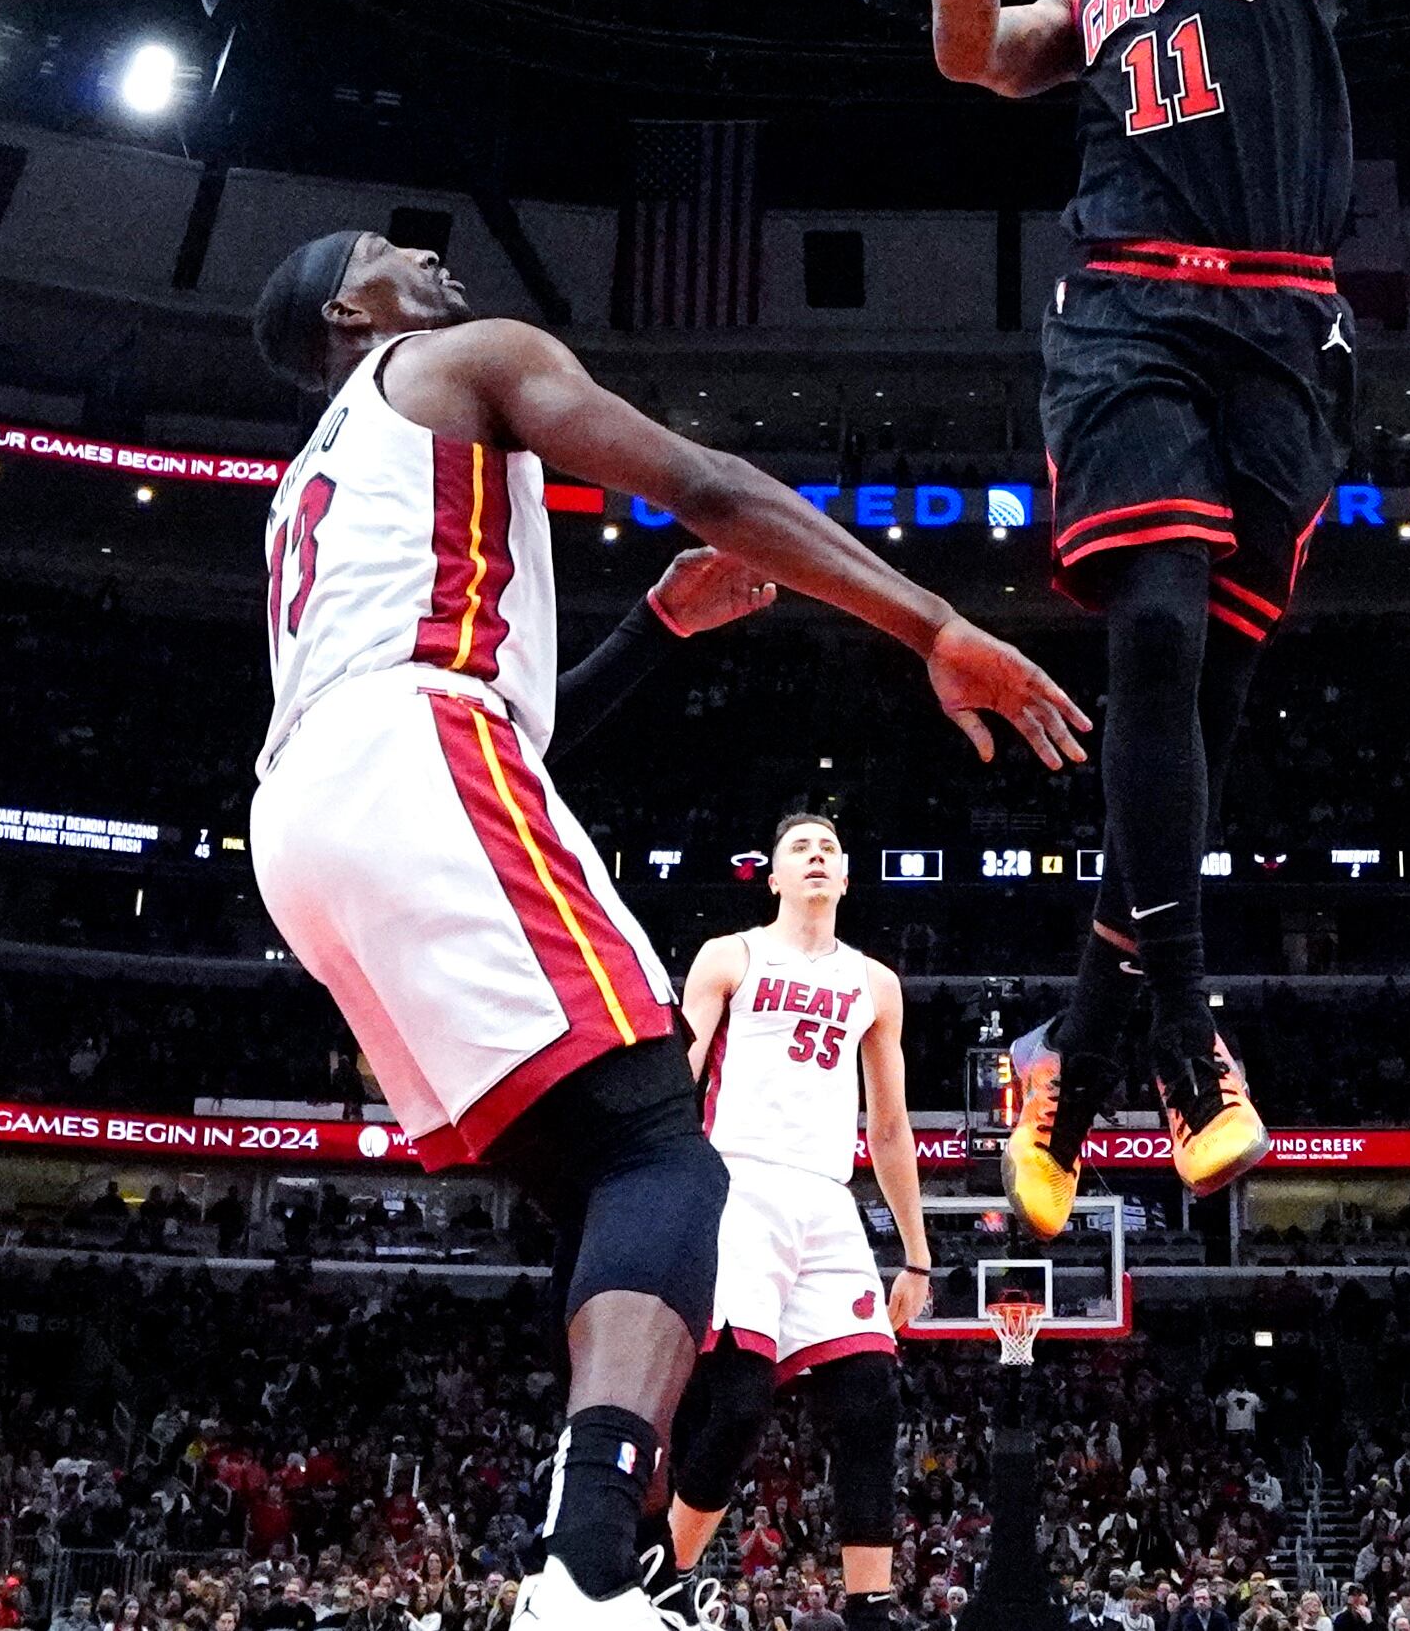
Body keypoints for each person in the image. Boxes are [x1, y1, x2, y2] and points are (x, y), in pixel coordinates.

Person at [242, 229, 1086, 1631]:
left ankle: (609, 1557)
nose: (432, 254)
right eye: (393, 248)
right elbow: (707, 486)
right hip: (413, 751)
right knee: (661, 1155)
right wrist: (931, 622)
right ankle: (581, 1572)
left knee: (597, 1191)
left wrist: (650, 627)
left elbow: (497, 715)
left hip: (305, 821)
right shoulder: (461, 358)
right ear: (347, 305)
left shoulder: (313, 484)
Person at [931, 0, 1410, 1235]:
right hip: (1129, 306)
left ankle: (1075, 1054)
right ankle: (1190, 1036)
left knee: (1208, 707)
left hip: (1281, 330)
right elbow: (967, 53)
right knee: (1150, 632)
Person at [664, 814, 934, 1631]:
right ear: (774, 876)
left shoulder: (875, 982)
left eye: (828, 849)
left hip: (827, 1198)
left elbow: (890, 1127)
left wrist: (916, 1256)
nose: (815, 856)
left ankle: (870, 1606)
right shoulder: (731, 955)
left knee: (871, 1399)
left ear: (845, 878)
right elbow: (677, 1083)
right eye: (799, 849)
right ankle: (664, 1576)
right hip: (738, 1187)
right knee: (740, 1406)